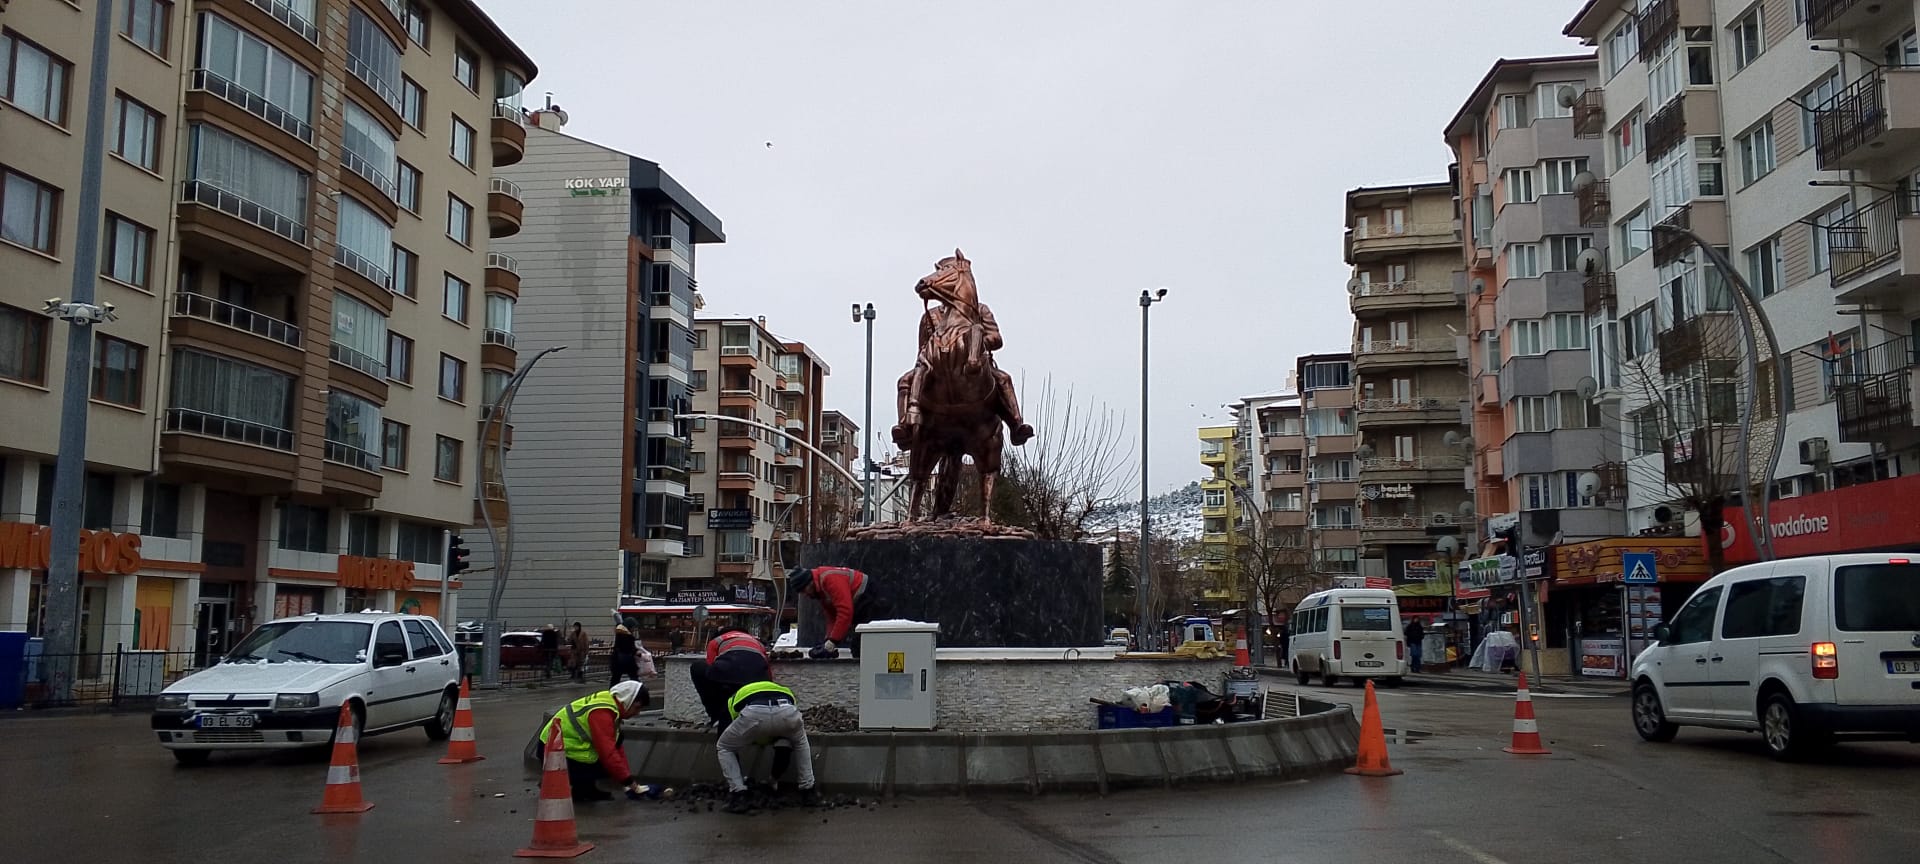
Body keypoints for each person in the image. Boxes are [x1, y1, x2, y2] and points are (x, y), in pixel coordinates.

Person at [716, 678, 819, 814]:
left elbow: (726, 729)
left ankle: (739, 793)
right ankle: (808, 790)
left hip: (754, 713)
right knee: (799, 741)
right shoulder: (784, 690)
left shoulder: (734, 699)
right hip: (786, 710)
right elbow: (777, 724)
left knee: (724, 746)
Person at [537, 680, 650, 802]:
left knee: (607, 756)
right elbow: (608, 753)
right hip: (554, 749)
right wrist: (631, 783)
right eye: (637, 707)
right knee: (604, 764)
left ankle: (586, 788)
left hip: (555, 744)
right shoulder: (602, 713)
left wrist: (627, 781)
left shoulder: (609, 702)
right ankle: (562, 784)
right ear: (628, 700)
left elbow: (616, 747)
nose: (637, 713)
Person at [689, 629, 770, 729]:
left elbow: (711, 668)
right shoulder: (757, 642)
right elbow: (767, 667)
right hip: (755, 682)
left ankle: (717, 717)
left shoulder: (717, 641)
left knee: (698, 667)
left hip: (728, 677)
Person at [788, 565, 871, 658]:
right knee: (860, 646)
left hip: (871, 598)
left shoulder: (829, 580)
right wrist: (827, 640)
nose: (806, 594)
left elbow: (845, 612)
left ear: (809, 583)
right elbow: (832, 616)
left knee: (864, 644)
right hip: (862, 601)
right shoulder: (820, 589)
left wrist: (833, 641)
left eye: (804, 590)